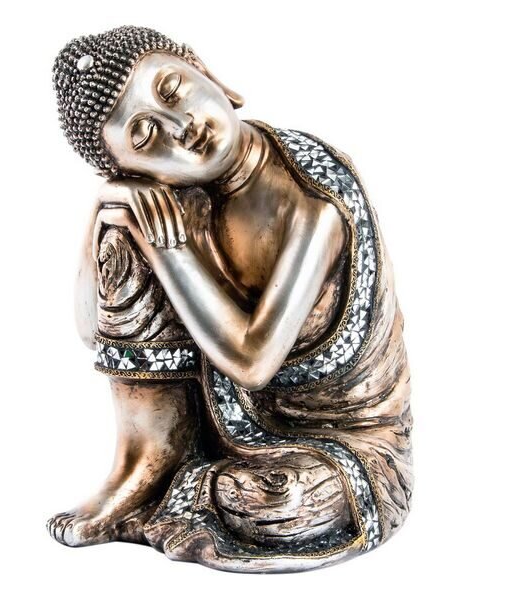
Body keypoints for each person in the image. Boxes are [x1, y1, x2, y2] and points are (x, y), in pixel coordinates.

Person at [48, 25, 412, 573]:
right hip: (216, 417)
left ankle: (182, 489)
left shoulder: (311, 201)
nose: (182, 128)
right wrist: (104, 208)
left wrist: (171, 251)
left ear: (208, 74)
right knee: (131, 225)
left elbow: (252, 362)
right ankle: (142, 471)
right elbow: (87, 330)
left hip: (337, 443)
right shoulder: (170, 193)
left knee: (282, 500)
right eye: (145, 136)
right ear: (129, 168)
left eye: (172, 90)